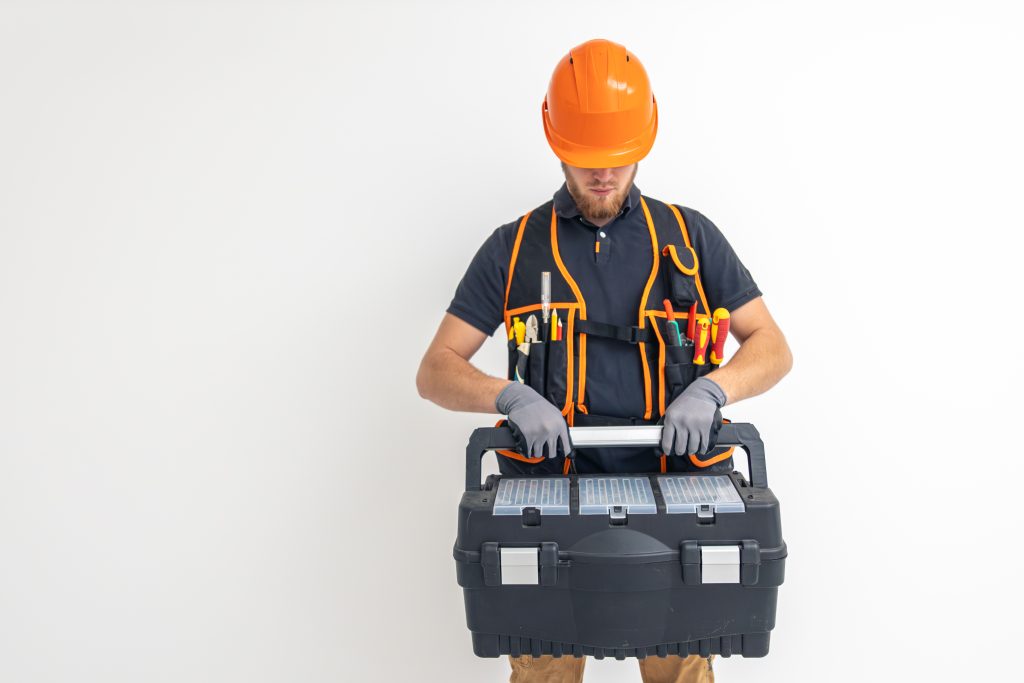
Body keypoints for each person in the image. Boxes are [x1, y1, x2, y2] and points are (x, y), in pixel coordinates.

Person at [417, 38, 793, 683]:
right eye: (586, 160)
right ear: (556, 143)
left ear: (643, 145)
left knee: (681, 670)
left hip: (679, 502)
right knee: (544, 670)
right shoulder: (512, 251)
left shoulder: (690, 237)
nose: (602, 177)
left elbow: (772, 347)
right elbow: (436, 370)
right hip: (544, 505)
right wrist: (506, 396)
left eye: (617, 161)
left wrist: (712, 390)